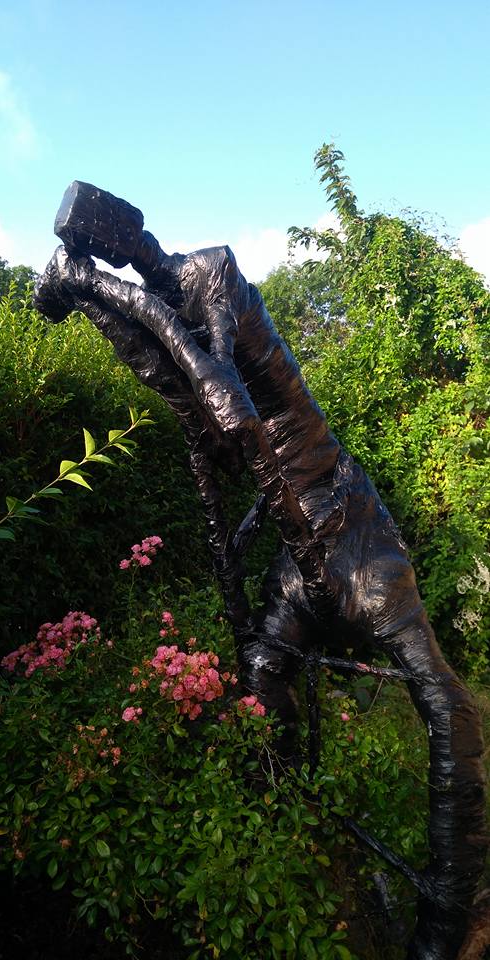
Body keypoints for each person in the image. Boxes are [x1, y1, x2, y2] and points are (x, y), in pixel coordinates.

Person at [35, 197, 486, 959]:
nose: (102, 246)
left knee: (444, 701)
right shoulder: (163, 302)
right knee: (263, 667)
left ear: (124, 231)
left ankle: (448, 917)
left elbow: (226, 395)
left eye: (98, 237)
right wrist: (88, 298)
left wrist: (98, 287)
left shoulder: (215, 271)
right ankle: (284, 809)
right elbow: (171, 381)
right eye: (91, 243)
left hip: (352, 533)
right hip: (298, 558)